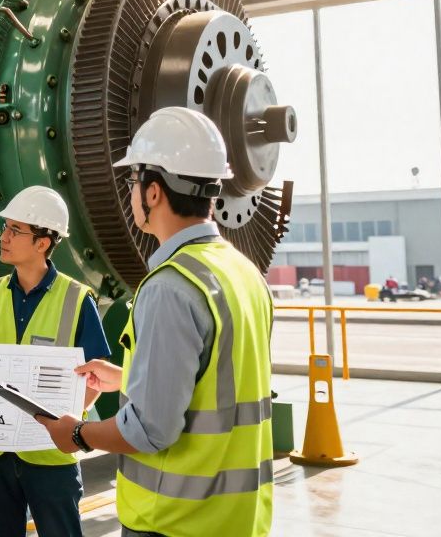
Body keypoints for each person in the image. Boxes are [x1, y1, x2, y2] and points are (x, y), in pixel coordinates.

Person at [35, 107, 275, 537]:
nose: (131, 193)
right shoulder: (244, 273)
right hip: (240, 519)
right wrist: (129, 377)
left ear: (154, 192)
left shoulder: (170, 286)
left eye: (133, 181)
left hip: (175, 520)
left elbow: (150, 429)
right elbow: (213, 383)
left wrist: (77, 434)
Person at [0, 186, 110, 537]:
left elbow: (96, 375)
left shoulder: (76, 298)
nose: (4, 236)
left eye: (15, 230)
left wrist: (70, 427)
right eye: (6, 227)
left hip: (50, 455)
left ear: (43, 242)